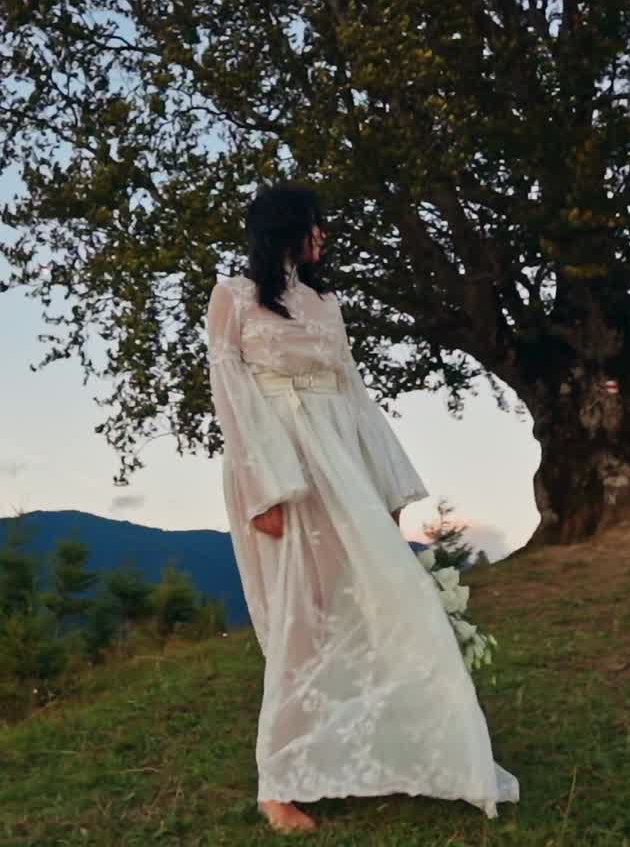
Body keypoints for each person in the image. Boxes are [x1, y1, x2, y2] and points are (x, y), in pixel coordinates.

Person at [206, 182, 520, 833]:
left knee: (387, 602)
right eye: (314, 224)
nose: (323, 236)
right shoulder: (233, 297)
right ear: (284, 228)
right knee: (300, 621)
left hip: (340, 469)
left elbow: (353, 396)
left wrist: (385, 491)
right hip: (280, 468)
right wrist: (265, 489)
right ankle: (279, 783)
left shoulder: (325, 303)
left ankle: (391, 750)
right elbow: (231, 395)